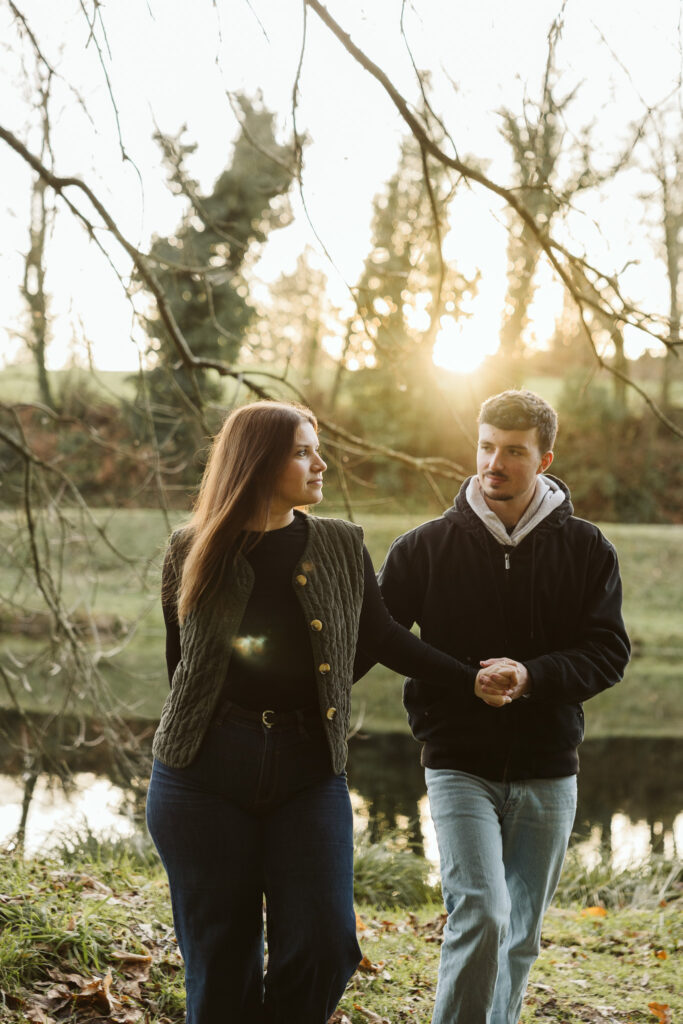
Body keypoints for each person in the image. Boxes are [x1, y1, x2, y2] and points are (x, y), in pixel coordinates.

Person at [145, 399, 478, 1024]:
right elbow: (182, 672)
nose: (321, 463)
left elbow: (380, 636)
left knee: (327, 943)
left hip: (308, 770)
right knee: (221, 965)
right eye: (303, 451)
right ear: (258, 462)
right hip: (202, 777)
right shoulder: (191, 548)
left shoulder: (340, 543)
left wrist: (468, 679)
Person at [376, 389, 631, 1024]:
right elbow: (378, 636)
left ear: (544, 459)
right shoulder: (423, 548)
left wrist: (532, 675)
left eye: (513, 452)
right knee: (483, 913)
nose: (495, 463)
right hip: (458, 760)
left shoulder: (588, 549)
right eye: (487, 447)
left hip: (550, 765)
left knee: (522, 932)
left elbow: (607, 652)